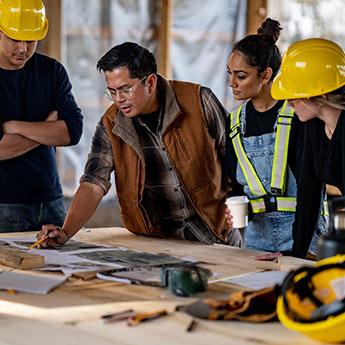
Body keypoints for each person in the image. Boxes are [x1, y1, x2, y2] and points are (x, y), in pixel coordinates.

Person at [36, 41, 241, 248]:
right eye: (112, 92)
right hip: (156, 244)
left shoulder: (199, 102)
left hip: (215, 236)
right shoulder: (110, 124)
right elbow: (93, 182)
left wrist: (239, 204)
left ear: (150, 82)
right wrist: (66, 231)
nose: (118, 100)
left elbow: (236, 157)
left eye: (125, 89)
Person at [225, 18, 326, 257]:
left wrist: (298, 251)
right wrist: (234, 207)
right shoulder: (234, 123)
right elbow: (235, 184)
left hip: (304, 235)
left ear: (266, 74)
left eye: (241, 76)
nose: (232, 83)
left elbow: (312, 189)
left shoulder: (299, 116)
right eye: (230, 74)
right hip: (256, 238)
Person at [0, 0, 83, 232]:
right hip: (4, 205)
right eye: (15, 39)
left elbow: (72, 132)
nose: (23, 48)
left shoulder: (52, 71)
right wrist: (47, 128)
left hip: (51, 202)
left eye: (31, 40)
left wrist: (14, 126)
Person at [268, 37, 345, 259]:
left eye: (294, 97)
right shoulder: (312, 125)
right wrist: (295, 254)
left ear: (320, 95)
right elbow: (308, 194)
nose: (290, 105)